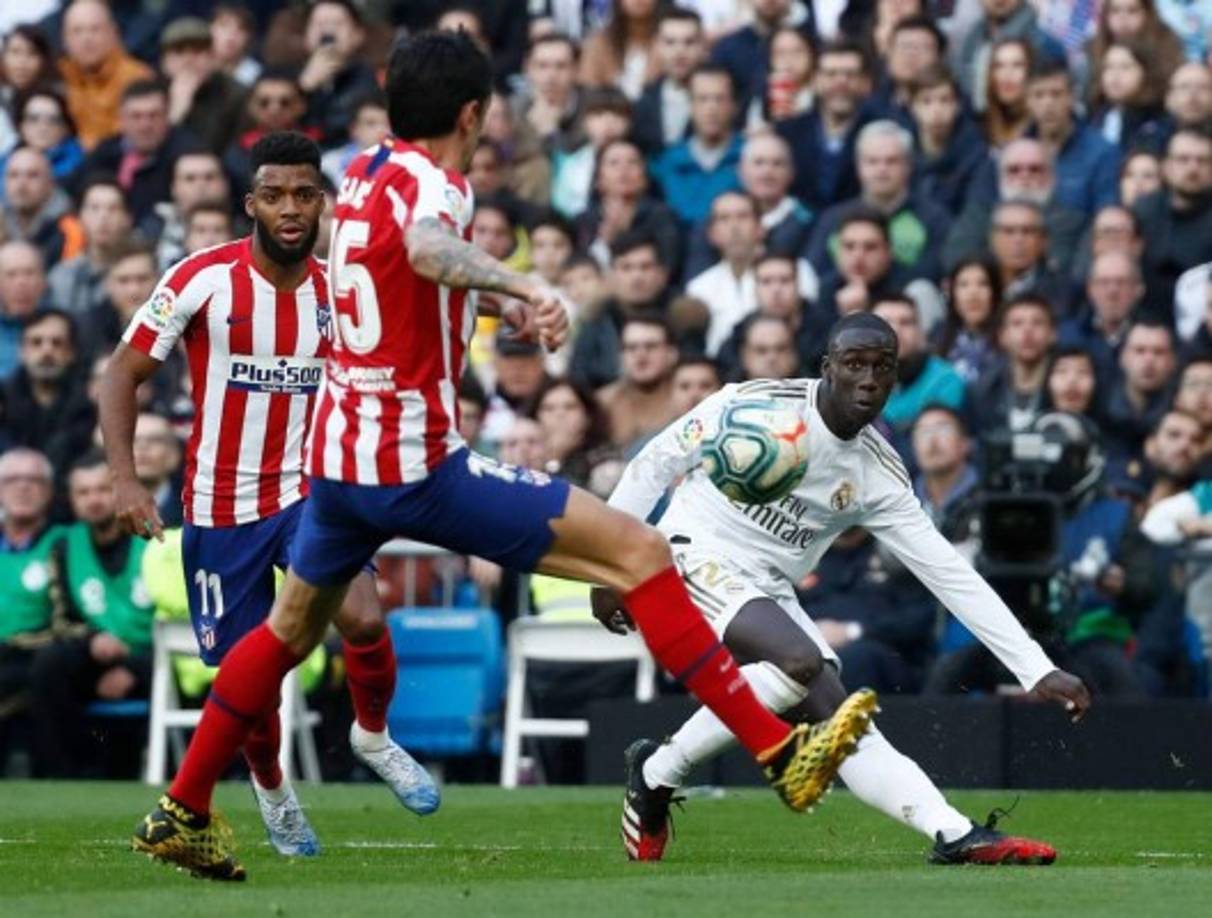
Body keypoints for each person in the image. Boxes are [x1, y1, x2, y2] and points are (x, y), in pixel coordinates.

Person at [127, 32, 872, 882]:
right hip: (414, 464)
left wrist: (482, 309)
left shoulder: (365, 170)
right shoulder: (435, 184)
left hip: (337, 462)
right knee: (639, 552)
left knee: (291, 628)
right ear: (474, 114)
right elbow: (426, 250)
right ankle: (777, 748)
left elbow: (388, 276)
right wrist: (522, 284)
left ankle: (183, 806)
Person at [596, 312, 1089, 864]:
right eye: (854, 363)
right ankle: (659, 771)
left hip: (767, 584)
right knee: (799, 662)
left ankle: (952, 833)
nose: (868, 379)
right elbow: (657, 460)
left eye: (882, 367)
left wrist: (1034, 666)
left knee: (840, 713)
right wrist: (614, 561)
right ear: (827, 368)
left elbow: (947, 572)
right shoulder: (755, 404)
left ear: (895, 377)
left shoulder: (877, 474)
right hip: (691, 549)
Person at [105, 132, 440, 864]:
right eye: (276, 195)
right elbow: (120, 374)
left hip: (312, 495)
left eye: (305, 194)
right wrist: (126, 480)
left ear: (323, 202)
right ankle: (272, 790)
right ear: (251, 203)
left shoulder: (340, 290)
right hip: (221, 506)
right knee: (250, 681)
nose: (291, 209)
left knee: (360, 612)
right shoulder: (200, 279)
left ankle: (373, 735)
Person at [26, 451, 155, 777]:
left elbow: (180, 615)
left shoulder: (157, 540)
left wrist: (136, 669)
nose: (94, 500)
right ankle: (58, 780)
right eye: (83, 492)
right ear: (70, 499)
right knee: (49, 665)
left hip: (155, 661)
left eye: (102, 489)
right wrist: (92, 640)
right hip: (96, 659)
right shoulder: (64, 545)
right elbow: (59, 618)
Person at [805, 119, 953, 283]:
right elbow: (813, 276)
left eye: (891, 161)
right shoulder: (832, 220)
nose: (881, 169)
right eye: (872, 161)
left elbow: (932, 274)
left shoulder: (935, 220)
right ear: (858, 166)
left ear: (908, 165)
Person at [0, 448, 61, 768]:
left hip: (34, 655)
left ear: (49, 492)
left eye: (34, 480)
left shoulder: (67, 541)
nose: (23, 487)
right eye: (12, 480)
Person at [650, 65, 743, 226]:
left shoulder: (752, 158)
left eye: (720, 99)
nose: (711, 108)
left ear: (733, 106)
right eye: (702, 99)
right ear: (690, 105)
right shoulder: (666, 163)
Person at [58, 0, 153, 150]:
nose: (86, 39)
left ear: (114, 33)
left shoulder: (136, 77)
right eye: (77, 31)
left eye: (95, 29)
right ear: (65, 39)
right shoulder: (59, 76)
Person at [872, 294, 966, 447]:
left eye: (906, 322)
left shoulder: (945, 380)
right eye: (885, 323)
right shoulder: (854, 382)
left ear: (920, 332)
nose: (896, 330)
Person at [968, 293, 1056, 434]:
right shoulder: (984, 390)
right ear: (1002, 336)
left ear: (1052, 334)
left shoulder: (1065, 389)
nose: (1028, 330)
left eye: (1037, 322)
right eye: (1017, 323)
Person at [47, 176, 133, 316]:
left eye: (113, 209)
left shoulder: (143, 275)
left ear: (127, 218)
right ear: (80, 217)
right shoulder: (60, 276)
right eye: (94, 208)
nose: (103, 217)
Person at [631, 7, 706, 155]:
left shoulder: (723, 98)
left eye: (689, 42)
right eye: (670, 42)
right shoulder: (643, 102)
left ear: (702, 46)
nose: (680, 51)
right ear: (657, 46)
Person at [935, 257, 1003, 384]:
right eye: (963, 285)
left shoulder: (1008, 342)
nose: (973, 294)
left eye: (983, 284)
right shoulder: (938, 339)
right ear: (952, 294)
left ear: (995, 293)